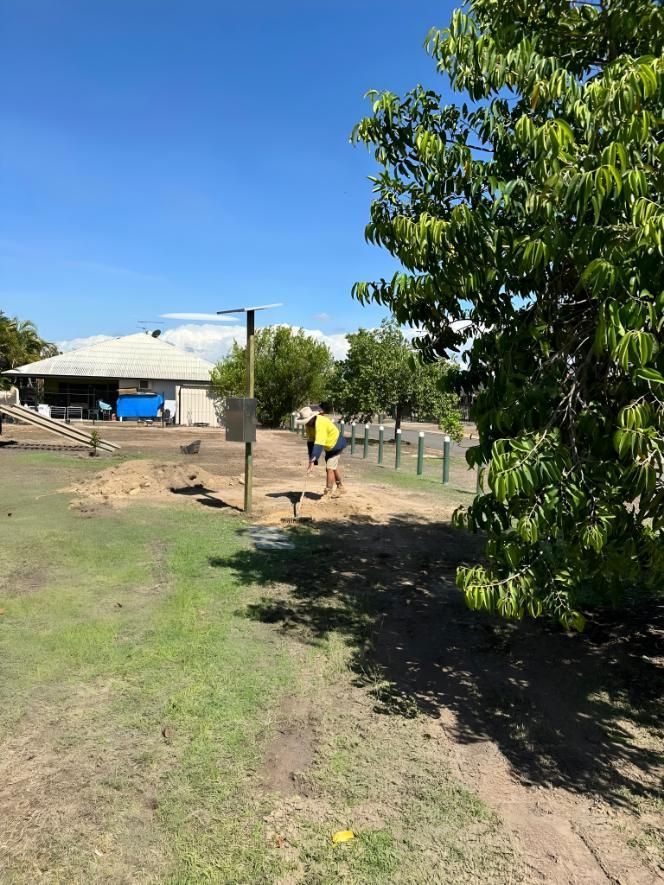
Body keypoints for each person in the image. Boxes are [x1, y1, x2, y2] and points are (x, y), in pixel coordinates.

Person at [294, 405, 346, 496]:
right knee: (332, 466)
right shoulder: (309, 425)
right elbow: (311, 441)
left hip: (336, 444)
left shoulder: (320, 423)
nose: (306, 424)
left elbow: (318, 443)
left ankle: (328, 492)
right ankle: (340, 486)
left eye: (307, 421)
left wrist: (313, 460)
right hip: (328, 446)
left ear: (312, 418)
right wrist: (312, 460)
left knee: (329, 468)